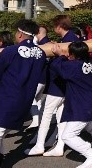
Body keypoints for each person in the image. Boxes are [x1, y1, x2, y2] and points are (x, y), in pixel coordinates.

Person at [0, 19, 47, 168]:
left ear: (19, 34)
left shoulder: (11, 51)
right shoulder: (41, 54)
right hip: (25, 99)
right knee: (0, 135)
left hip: (8, 97)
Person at [26, 15, 79, 157]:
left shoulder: (70, 39)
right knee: (61, 114)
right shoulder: (69, 38)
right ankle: (59, 146)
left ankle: (39, 145)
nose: (54, 28)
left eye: (55, 26)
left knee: (46, 113)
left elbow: (69, 61)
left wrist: (58, 56)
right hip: (64, 83)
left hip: (59, 83)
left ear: (59, 26)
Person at [50, 41, 92, 168]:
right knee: (87, 123)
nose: (67, 55)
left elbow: (56, 67)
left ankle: (91, 156)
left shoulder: (73, 66)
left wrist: (60, 55)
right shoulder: (88, 64)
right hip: (90, 101)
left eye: (69, 52)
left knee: (68, 135)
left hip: (83, 104)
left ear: (73, 54)